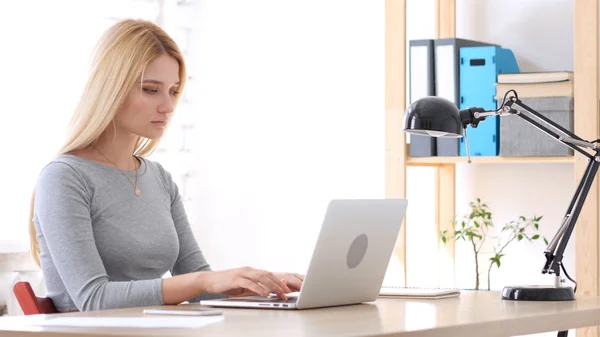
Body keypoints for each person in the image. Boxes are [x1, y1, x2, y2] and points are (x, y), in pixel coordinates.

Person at [28, 18, 303, 313]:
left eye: (173, 91)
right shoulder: (64, 178)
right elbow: (94, 298)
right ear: (111, 88)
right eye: (150, 89)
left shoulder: (158, 179)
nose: (168, 107)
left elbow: (201, 289)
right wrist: (203, 281)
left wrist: (263, 284)